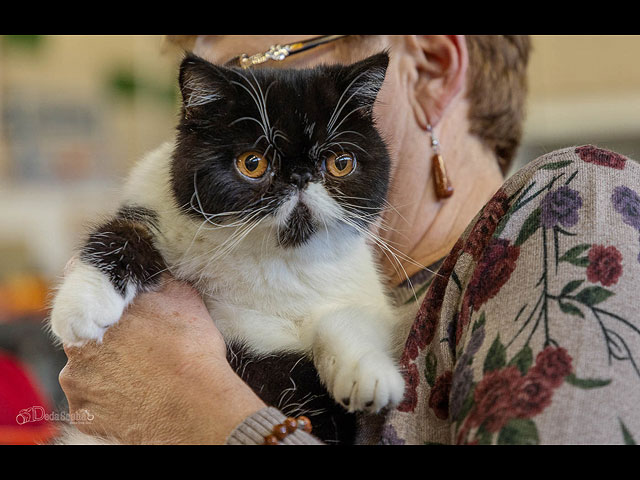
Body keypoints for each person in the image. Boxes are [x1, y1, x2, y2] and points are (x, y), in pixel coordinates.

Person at [58, 35, 640, 445]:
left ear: (433, 68)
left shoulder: (572, 203)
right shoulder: (295, 278)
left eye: (257, 64)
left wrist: (197, 406)